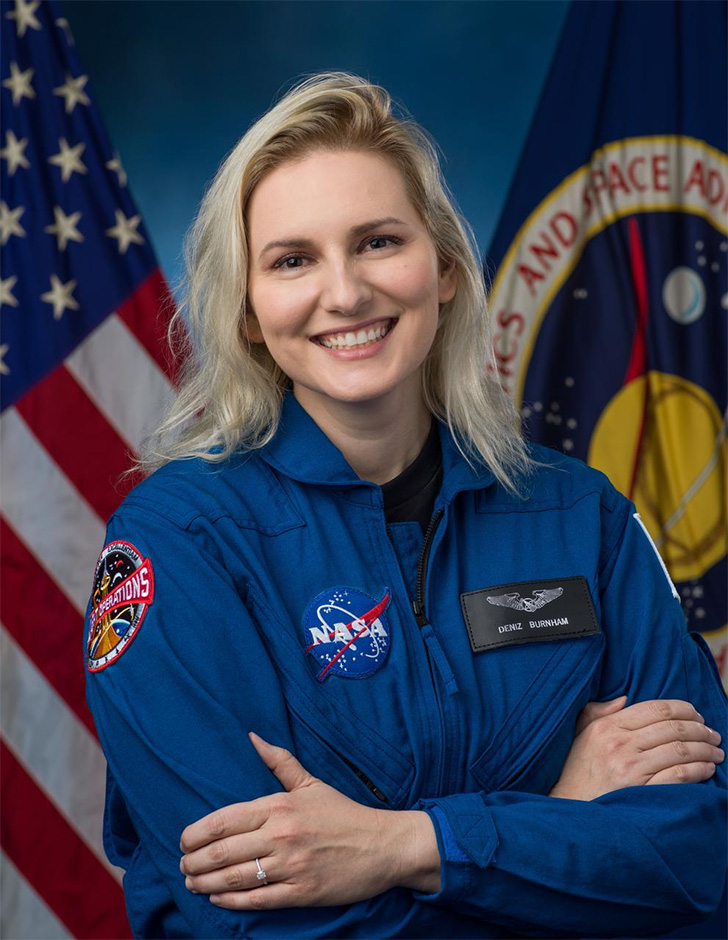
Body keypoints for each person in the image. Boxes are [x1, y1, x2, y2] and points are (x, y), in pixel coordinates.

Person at [85, 73, 726, 939]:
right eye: (293, 260)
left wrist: (407, 846)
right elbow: (246, 920)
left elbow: (697, 862)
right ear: (245, 312)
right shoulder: (179, 542)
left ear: (448, 269)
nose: (345, 293)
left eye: (379, 241)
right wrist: (559, 819)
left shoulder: (583, 518)